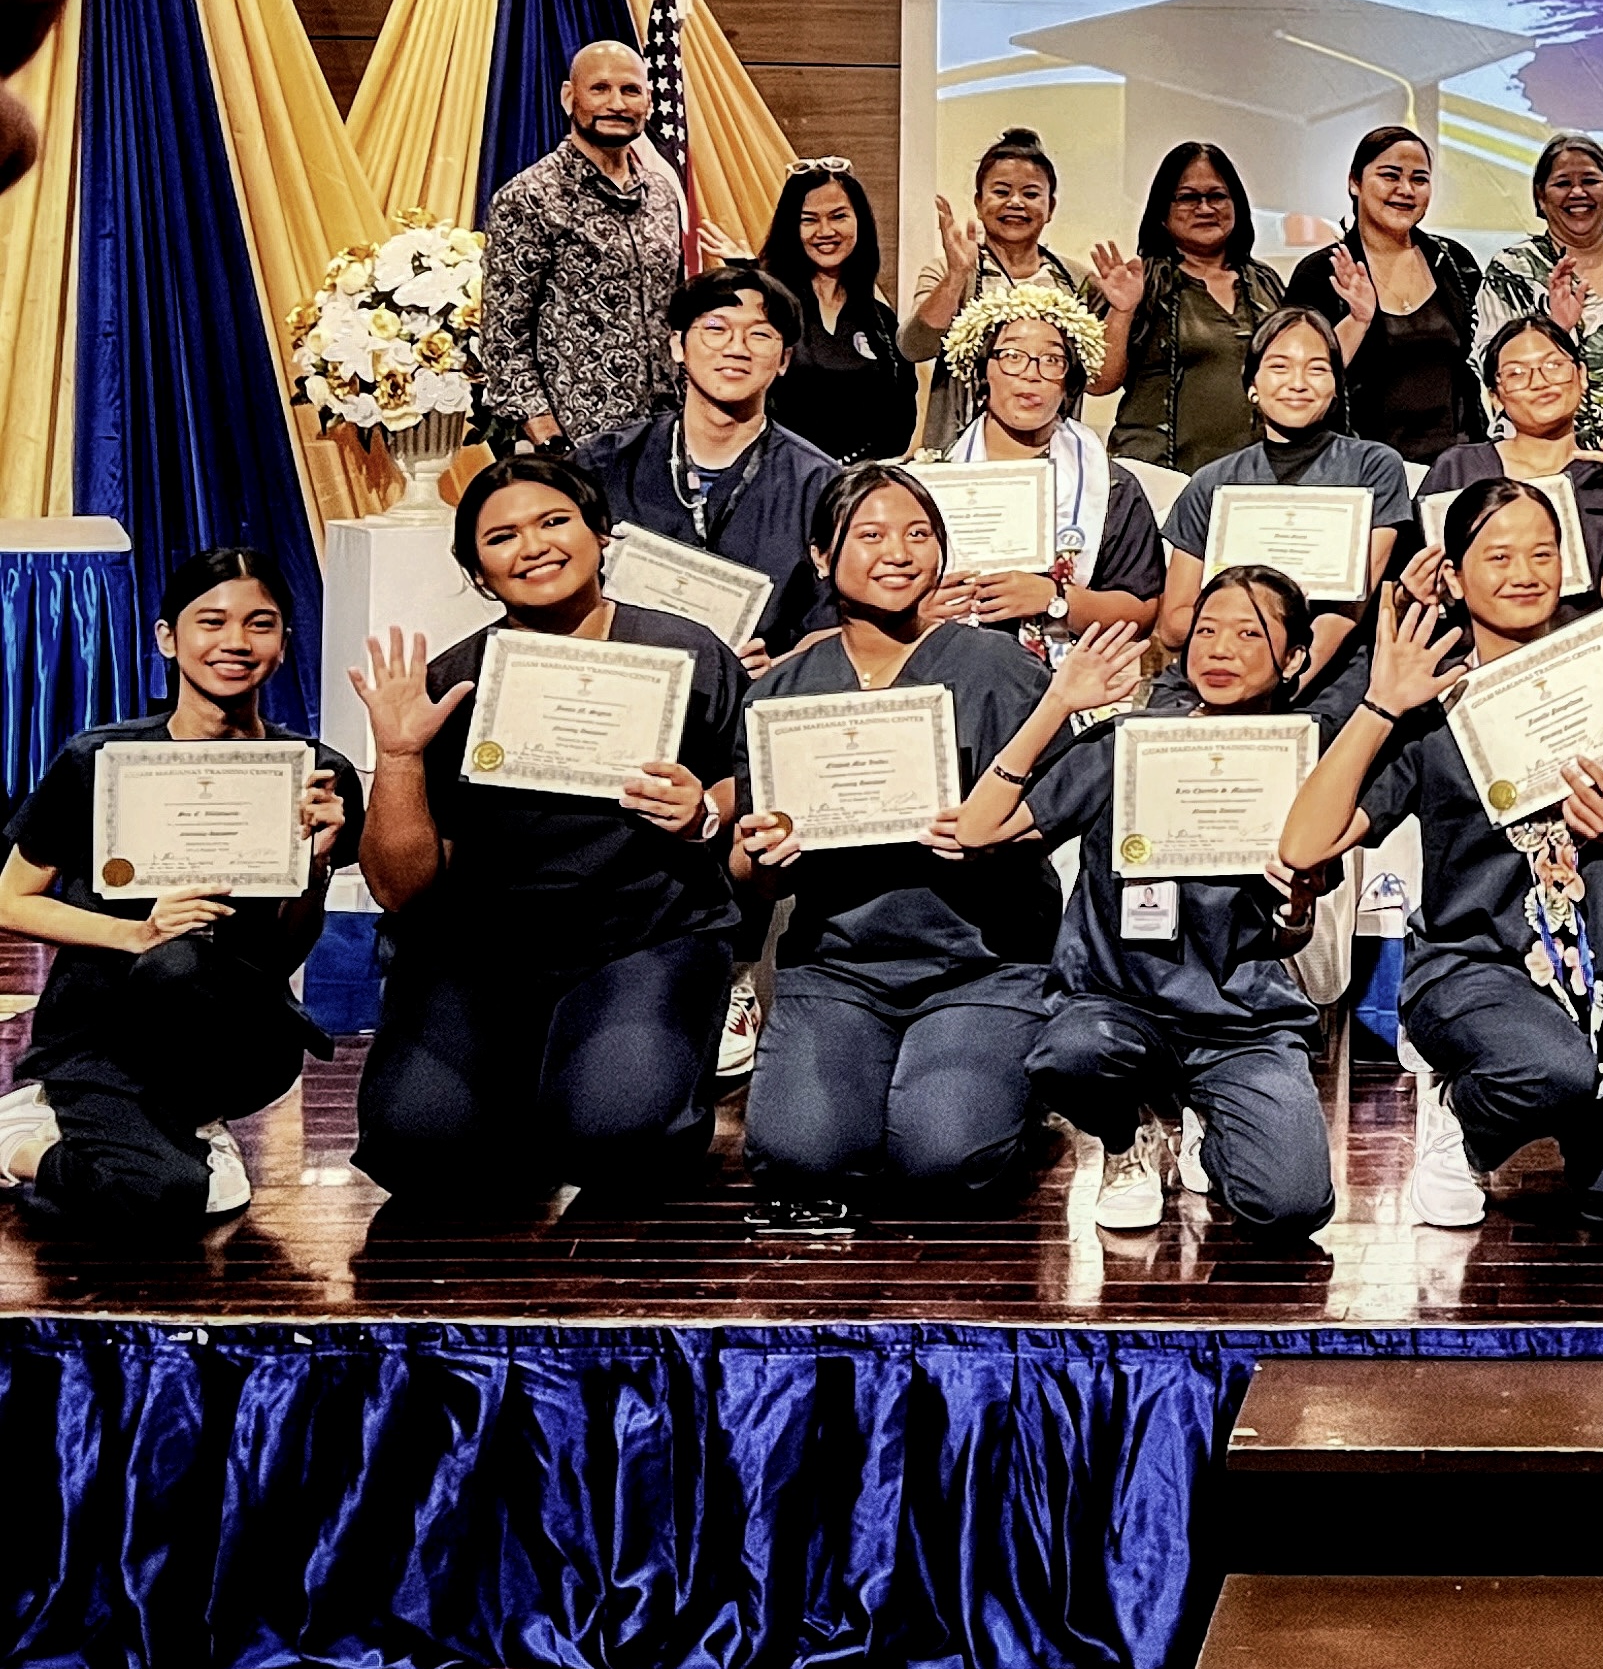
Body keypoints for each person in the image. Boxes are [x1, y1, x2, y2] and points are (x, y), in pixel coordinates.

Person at [1279, 483, 1603, 1238]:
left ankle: (1554, 1102)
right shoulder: (1433, 706)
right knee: (1550, 1073)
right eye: (1497, 556)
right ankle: (1464, 1119)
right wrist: (1380, 704)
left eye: (1542, 552)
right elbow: (1304, 844)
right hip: (1477, 967)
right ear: (1454, 578)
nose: (1524, 572)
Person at [345, 457, 749, 1207]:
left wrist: (703, 811)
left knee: (615, 1138)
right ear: (478, 572)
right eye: (502, 536)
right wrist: (399, 757)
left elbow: (742, 780)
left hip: (644, 936)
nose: (533, 545)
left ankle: (640, 1091)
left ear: (599, 533)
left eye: (554, 521)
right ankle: (528, 1099)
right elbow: (401, 886)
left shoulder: (687, 652)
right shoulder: (451, 682)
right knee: (417, 1147)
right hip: (481, 951)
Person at [729, 465, 1059, 1233]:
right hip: (842, 965)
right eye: (869, 534)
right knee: (798, 1158)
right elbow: (750, 879)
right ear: (820, 555)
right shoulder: (781, 693)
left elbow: (1059, 809)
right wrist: (759, 853)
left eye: (918, 534)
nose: (899, 553)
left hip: (983, 962)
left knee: (946, 1160)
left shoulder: (1001, 669)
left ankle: (1009, 1089)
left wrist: (994, 832)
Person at [962, 584, 1339, 1239]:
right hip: (1116, 1006)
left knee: (1291, 1206)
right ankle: (1126, 1136)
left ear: (1295, 656)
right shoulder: (1129, 743)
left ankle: (1212, 1122)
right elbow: (979, 827)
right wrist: (1058, 702)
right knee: (1070, 1053)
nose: (1220, 649)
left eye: (1250, 634)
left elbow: (1285, 934)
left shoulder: (1303, 765)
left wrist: (1298, 904)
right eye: (1206, 631)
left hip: (1237, 1021)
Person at [0, 552, 359, 1233]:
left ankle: (176, 1124)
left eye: (260, 623)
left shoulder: (318, 772)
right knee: (179, 1195)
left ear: (284, 643)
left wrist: (314, 865)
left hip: (240, 1036)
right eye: (211, 621)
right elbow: (10, 899)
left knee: (189, 971)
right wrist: (134, 932)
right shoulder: (97, 758)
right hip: (103, 1033)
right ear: (168, 638)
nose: (235, 641)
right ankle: (21, 1143)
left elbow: (287, 949)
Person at [579, 263, 840, 658]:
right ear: (677, 345)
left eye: (759, 334)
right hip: (619, 681)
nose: (737, 348)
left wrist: (781, 668)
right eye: (716, 329)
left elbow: (835, 621)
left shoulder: (818, 484)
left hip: (754, 698)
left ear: (784, 359)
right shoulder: (604, 465)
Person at [1161, 305, 1415, 671]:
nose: (1298, 383)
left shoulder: (1372, 467)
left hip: (1331, 666)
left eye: (1316, 369)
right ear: (1253, 385)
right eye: (1279, 367)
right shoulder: (1213, 483)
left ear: (1335, 388)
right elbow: (1173, 624)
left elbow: (1349, 609)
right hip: (1222, 667)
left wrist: (1282, 683)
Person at [928, 283, 1167, 663]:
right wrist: (923, 611)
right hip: (955, 669)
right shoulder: (931, 482)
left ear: (1070, 380)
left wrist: (1056, 600)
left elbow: (1140, 612)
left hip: (1075, 676)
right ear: (982, 371)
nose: (1031, 374)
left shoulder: (1111, 487)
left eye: (1052, 360)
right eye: (1012, 356)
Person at [478, 39, 687, 450]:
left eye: (630, 90)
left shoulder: (661, 193)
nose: (617, 104)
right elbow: (504, 330)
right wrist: (542, 428)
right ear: (569, 97)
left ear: (647, 101)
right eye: (600, 89)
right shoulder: (530, 197)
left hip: (665, 429)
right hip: (576, 438)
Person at [1424, 315, 1603, 617]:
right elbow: (1420, 579)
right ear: (1495, 397)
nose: (1539, 382)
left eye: (1553, 366)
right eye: (1517, 373)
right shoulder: (1459, 469)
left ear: (1582, 375)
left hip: (1580, 651)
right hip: (1477, 650)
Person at [1284, 125, 1488, 468]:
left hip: (1454, 467)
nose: (1405, 190)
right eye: (1390, 175)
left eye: (1419, 179)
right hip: (1360, 466)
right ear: (1355, 182)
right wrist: (1356, 320)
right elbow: (1300, 376)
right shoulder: (1321, 273)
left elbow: (1479, 359)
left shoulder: (1453, 262)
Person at [1096, 141, 1291, 479]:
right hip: (1159, 480)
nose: (1205, 208)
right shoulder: (1142, 279)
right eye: (1188, 198)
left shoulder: (1265, 282)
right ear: (1162, 211)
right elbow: (1098, 382)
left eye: (1217, 196)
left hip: (1255, 479)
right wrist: (1122, 310)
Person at [903, 127, 1104, 452]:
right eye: (1001, 191)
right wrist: (956, 277)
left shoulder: (1077, 280)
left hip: (1055, 455)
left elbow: (1098, 380)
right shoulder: (945, 270)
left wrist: (1121, 309)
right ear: (979, 204)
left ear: (1050, 207)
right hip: (958, 450)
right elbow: (914, 347)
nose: (1015, 202)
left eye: (1030, 194)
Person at [1471, 134, 1603, 438]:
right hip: (1540, 453)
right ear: (1541, 197)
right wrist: (1556, 328)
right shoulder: (1514, 267)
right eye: (1563, 183)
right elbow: (1492, 364)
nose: (1578, 192)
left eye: (1590, 181)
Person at [758, 159, 915, 465]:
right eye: (809, 220)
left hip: (863, 486)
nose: (825, 231)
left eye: (838, 216)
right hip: (782, 479)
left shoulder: (881, 320)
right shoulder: (769, 307)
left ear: (860, 222)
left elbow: (901, 414)